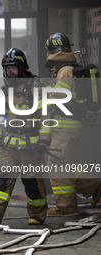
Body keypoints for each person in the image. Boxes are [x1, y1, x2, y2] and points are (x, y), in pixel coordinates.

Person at [0, 48, 52, 225]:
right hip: (8, 145)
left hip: (30, 146)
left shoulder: (36, 88)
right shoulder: (3, 91)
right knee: (0, 179)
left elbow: (46, 116)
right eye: (7, 69)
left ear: (23, 68)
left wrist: (44, 141)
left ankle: (38, 215)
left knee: (31, 183)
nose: (10, 73)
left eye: (14, 69)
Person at [45, 32, 101, 215]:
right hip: (68, 125)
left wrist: (45, 91)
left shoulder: (65, 71)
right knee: (64, 163)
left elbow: (58, 97)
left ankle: (66, 207)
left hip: (65, 125)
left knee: (56, 164)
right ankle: (95, 187)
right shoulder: (71, 68)